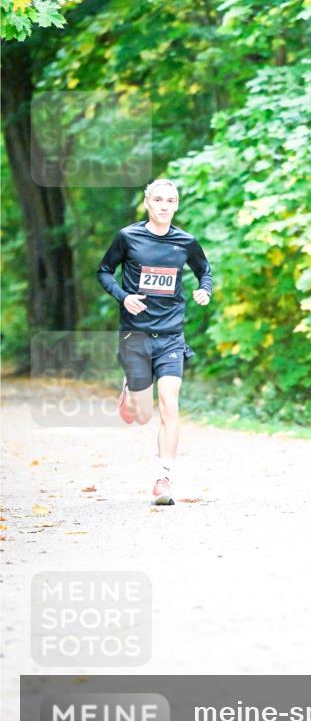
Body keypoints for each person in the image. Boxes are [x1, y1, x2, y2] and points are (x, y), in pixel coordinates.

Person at [96, 178, 212, 505]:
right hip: (136, 334)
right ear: (147, 202)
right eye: (158, 199)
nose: (164, 206)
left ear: (176, 205)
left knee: (169, 404)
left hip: (171, 336)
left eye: (170, 201)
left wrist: (205, 290)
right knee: (142, 414)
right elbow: (104, 271)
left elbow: (204, 271)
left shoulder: (186, 242)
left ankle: (164, 479)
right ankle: (130, 390)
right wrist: (124, 297)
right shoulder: (128, 237)